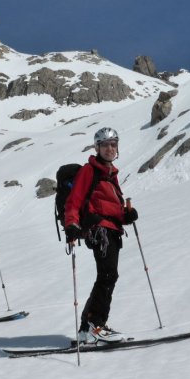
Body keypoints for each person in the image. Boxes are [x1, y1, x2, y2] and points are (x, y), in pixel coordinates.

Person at [63, 127, 138, 343]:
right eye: (105, 145)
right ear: (97, 147)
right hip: (100, 232)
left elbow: (110, 208)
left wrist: (126, 215)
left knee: (105, 277)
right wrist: (71, 224)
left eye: (113, 144)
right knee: (108, 276)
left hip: (111, 230)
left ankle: (87, 329)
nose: (109, 148)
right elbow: (74, 200)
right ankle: (97, 326)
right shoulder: (90, 170)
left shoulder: (110, 174)